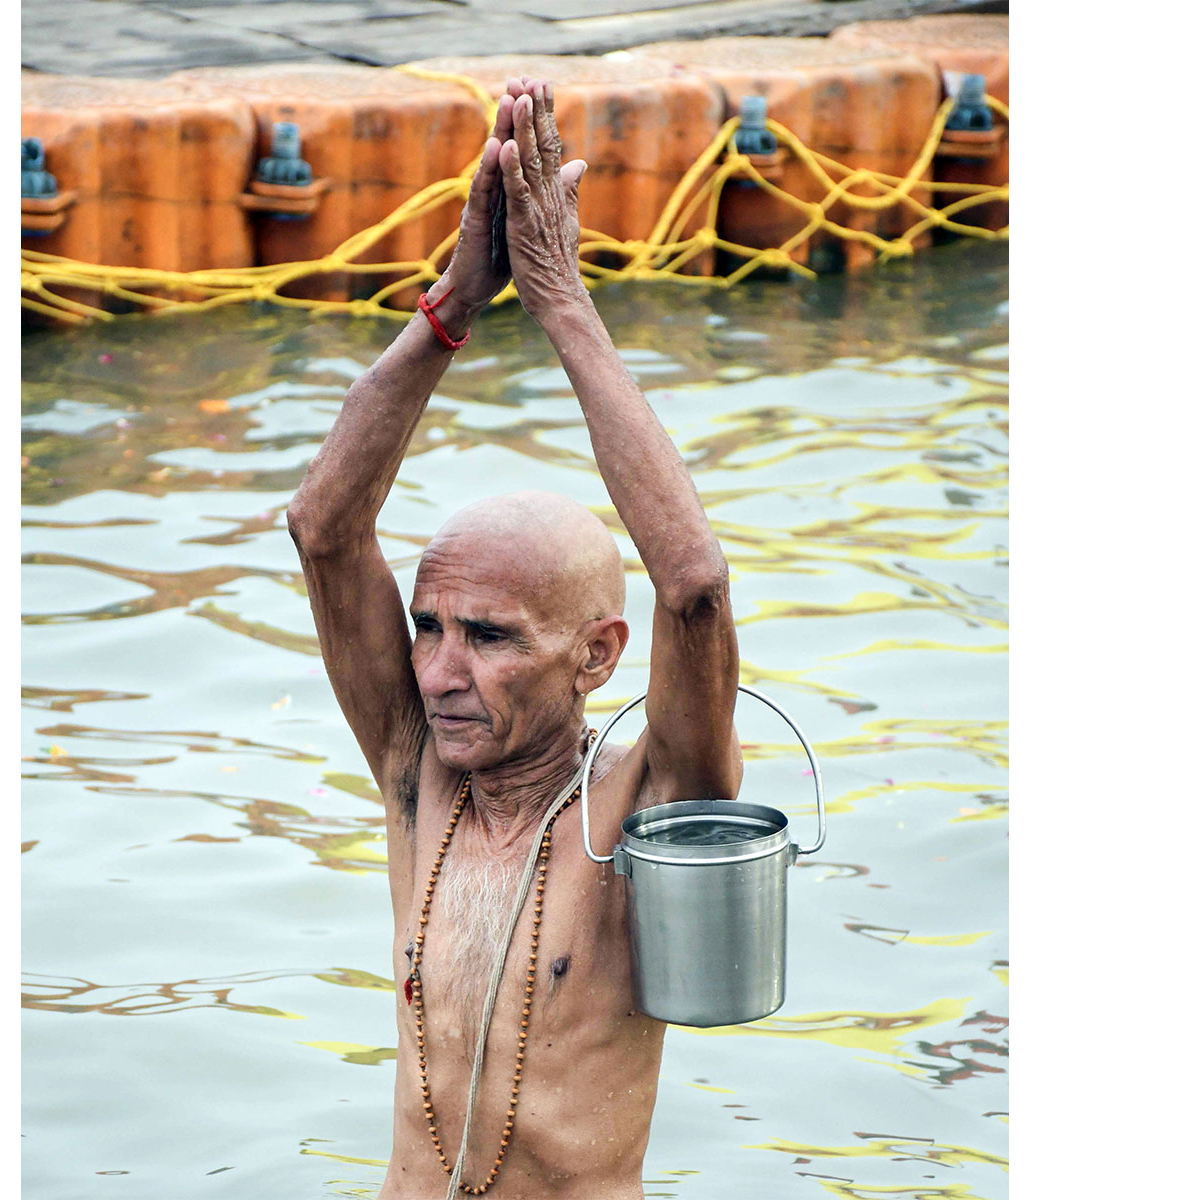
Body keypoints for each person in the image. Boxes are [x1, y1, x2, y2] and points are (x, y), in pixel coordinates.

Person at [287, 76, 740, 1200]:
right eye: (428, 627)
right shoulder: (416, 770)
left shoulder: (649, 804)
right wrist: (454, 301)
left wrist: (562, 305)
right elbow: (324, 530)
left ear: (594, 656)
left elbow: (692, 588)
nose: (439, 673)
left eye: (488, 637)